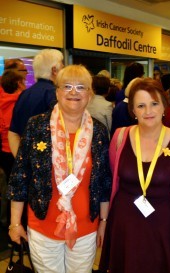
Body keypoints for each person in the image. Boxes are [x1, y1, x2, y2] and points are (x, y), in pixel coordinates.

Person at [7, 65, 112, 273]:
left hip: (85, 228)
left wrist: (104, 221)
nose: (74, 92)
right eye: (67, 86)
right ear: (57, 92)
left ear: (89, 95)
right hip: (43, 225)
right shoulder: (36, 126)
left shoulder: (98, 132)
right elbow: (20, 176)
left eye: (81, 87)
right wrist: (14, 223)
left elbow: (103, 182)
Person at [99, 77, 170, 273]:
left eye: (154, 104)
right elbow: (115, 173)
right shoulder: (120, 137)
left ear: (164, 106)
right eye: (141, 105)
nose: (148, 111)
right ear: (133, 110)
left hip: (162, 223)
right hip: (125, 223)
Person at [8, 49, 64, 157]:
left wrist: (21, 161)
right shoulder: (54, 95)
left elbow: (13, 133)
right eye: (62, 66)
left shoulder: (24, 94)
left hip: (26, 156)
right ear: (54, 70)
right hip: (48, 160)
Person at [0, 70, 26, 228]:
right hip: (15, 151)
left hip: (3, 151)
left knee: (8, 190)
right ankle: (17, 227)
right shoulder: (20, 103)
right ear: (18, 84)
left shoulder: (1, 101)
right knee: (18, 192)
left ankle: (7, 224)